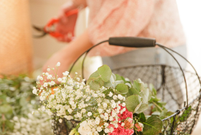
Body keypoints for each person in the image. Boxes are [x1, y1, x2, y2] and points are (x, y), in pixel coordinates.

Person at [43, 0, 187, 109]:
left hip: (148, 51)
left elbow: (127, 8)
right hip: (121, 46)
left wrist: (65, 56)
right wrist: (78, 3)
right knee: (126, 129)